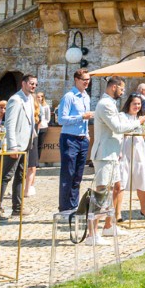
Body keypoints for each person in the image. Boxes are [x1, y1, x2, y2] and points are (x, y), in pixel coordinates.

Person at [90, 76, 144, 235]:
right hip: (104, 153)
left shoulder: (110, 104)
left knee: (113, 188)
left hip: (112, 153)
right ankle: (92, 234)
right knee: (101, 192)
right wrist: (137, 122)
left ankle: (109, 226)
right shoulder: (105, 104)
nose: (123, 92)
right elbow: (117, 127)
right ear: (113, 87)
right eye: (121, 88)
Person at [0, 72, 36, 220]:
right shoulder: (16, 100)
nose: (33, 86)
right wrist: (13, 146)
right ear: (23, 84)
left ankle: (17, 207)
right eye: (31, 83)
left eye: (35, 84)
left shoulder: (29, 99)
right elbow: (10, 124)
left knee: (20, 176)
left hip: (26, 143)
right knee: (6, 176)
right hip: (16, 144)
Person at [56, 67, 93, 215]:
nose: (87, 83)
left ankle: (74, 206)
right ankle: (65, 208)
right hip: (69, 138)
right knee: (68, 174)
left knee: (78, 175)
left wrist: (87, 133)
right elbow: (61, 119)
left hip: (82, 138)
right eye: (84, 80)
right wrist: (81, 117)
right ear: (76, 80)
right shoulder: (69, 97)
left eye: (88, 80)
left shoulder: (86, 97)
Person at [119, 92, 145, 219]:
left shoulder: (141, 118)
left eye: (139, 104)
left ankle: (144, 209)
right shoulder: (122, 116)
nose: (137, 106)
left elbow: (144, 135)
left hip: (139, 150)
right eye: (134, 104)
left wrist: (144, 125)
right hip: (126, 149)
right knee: (121, 181)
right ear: (129, 104)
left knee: (142, 179)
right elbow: (122, 130)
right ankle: (117, 213)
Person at [26, 85, 50, 200]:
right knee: (29, 164)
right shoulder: (31, 108)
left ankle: (28, 186)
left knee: (32, 162)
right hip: (31, 135)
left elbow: (45, 118)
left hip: (38, 131)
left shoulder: (43, 107)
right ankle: (27, 187)